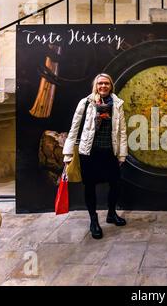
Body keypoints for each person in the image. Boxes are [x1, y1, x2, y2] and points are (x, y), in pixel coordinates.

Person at [62, 73, 128, 239]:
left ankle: (111, 213)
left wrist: (122, 154)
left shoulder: (118, 104)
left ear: (111, 86)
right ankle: (93, 220)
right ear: (95, 86)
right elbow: (74, 128)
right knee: (90, 187)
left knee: (115, 184)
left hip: (110, 152)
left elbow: (122, 131)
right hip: (89, 152)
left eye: (106, 83)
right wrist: (68, 153)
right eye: (100, 84)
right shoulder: (85, 103)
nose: (103, 86)